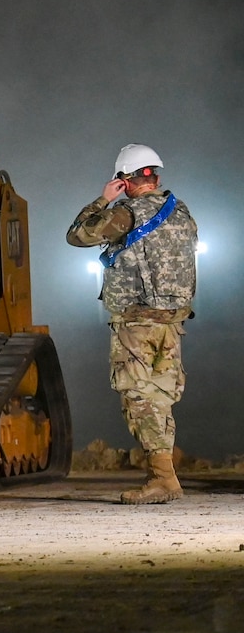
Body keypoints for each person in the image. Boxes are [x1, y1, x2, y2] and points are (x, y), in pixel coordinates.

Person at [67, 145, 198, 504]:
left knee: (140, 397)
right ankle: (165, 476)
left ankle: (162, 480)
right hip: (172, 324)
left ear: (125, 179)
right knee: (160, 397)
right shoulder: (182, 213)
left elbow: (77, 235)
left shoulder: (126, 214)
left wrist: (102, 199)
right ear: (155, 174)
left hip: (137, 322)